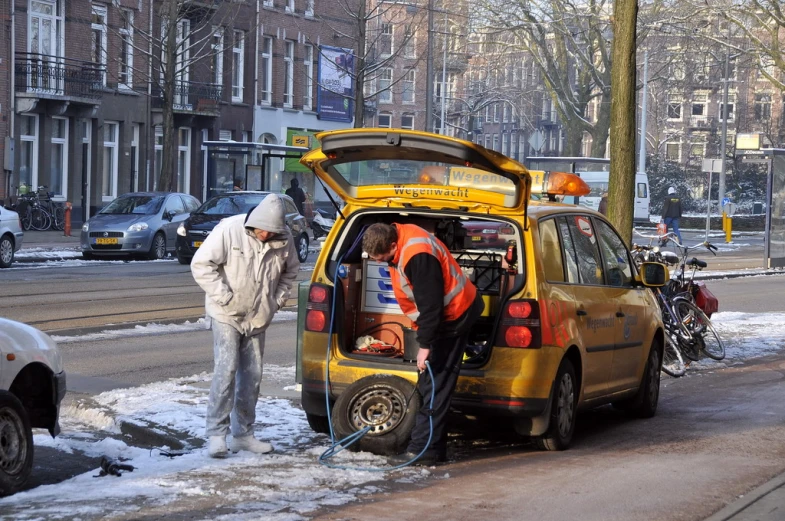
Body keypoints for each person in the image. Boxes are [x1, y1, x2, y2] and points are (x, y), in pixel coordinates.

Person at [362, 223, 484, 465]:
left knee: (435, 385)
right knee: (430, 383)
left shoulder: (417, 255)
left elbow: (431, 307)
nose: (380, 263)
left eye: (382, 258)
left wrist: (425, 346)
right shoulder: (402, 238)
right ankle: (430, 446)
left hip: (455, 317)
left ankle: (425, 451)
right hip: (444, 317)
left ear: (393, 245)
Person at [191, 194, 300, 458]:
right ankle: (217, 434)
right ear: (255, 224)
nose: (265, 236)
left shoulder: (284, 239)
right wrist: (224, 296)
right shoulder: (229, 230)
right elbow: (201, 264)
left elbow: (291, 272)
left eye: (271, 232)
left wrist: (276, 300)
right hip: (226, 313)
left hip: (259, 316)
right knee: (226, 369)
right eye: (263, 231)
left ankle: (243, 435)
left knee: (252, 376)